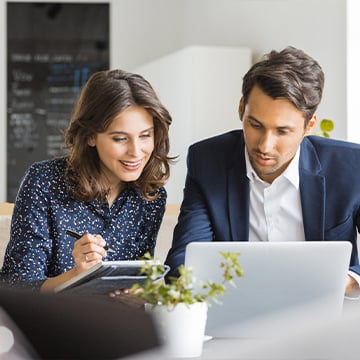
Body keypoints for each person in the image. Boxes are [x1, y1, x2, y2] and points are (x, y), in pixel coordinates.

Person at [165, 46, 360, 296]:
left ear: (309, 125)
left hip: (322, 317)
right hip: (235, 311)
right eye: (255, 125)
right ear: (241, 109)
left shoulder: (350, 166)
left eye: (282, 131)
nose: (265, 145)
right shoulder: (208, 160)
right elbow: (183, 261)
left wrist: (345, 281)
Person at [1, 69, 173, 292]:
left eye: (145, 135)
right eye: (120, 138)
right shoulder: (43, 182)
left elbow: (138, 281)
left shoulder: (151, 197)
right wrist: (79, 274)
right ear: (90, 136)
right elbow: (17, 287)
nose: (136, 151)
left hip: (116, 324)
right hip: (51, 322)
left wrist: (138, 295)